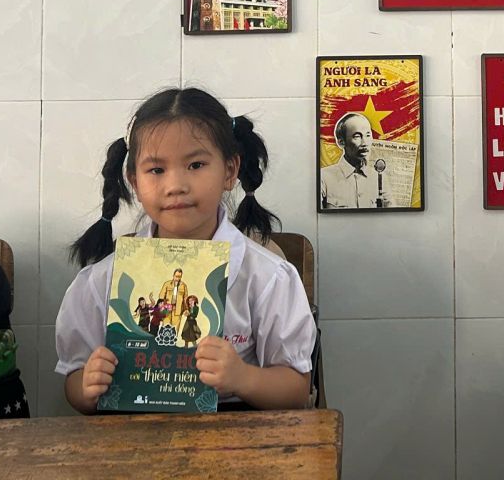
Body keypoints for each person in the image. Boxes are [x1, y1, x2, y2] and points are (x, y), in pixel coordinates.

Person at [56, 87, 314, 412]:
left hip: (238, 436)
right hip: (132, 436)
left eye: (196, 164)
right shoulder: (102, 280)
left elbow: (297, 390)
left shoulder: (268, 277)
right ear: (134, 181)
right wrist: (88, 386)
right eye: (156, 170)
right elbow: (74, 383)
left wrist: (243, 378)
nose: (176, 185)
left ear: (230, 171)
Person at [319, 111, 379, 209]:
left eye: (368, 135)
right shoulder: (323, 177)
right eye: (357, 136)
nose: (365, 143)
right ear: (341, 142)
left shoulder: (378, 178)